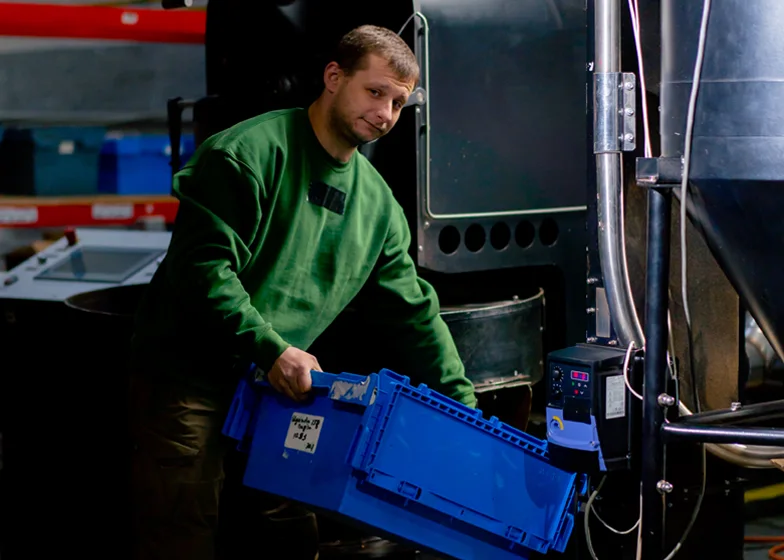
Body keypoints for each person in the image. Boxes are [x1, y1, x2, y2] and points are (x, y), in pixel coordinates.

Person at [128, 24, 476, 560]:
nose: (385, 114)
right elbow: (203, 273)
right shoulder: (246, 155)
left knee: (285, 532)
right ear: (334, 77)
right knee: (183, 529)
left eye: (400, 103)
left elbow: (414, 312)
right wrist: (272, 350)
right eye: (376, 92)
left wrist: (464, 410)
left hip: (276, 390)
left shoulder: (377, 206)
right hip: (190, 377)